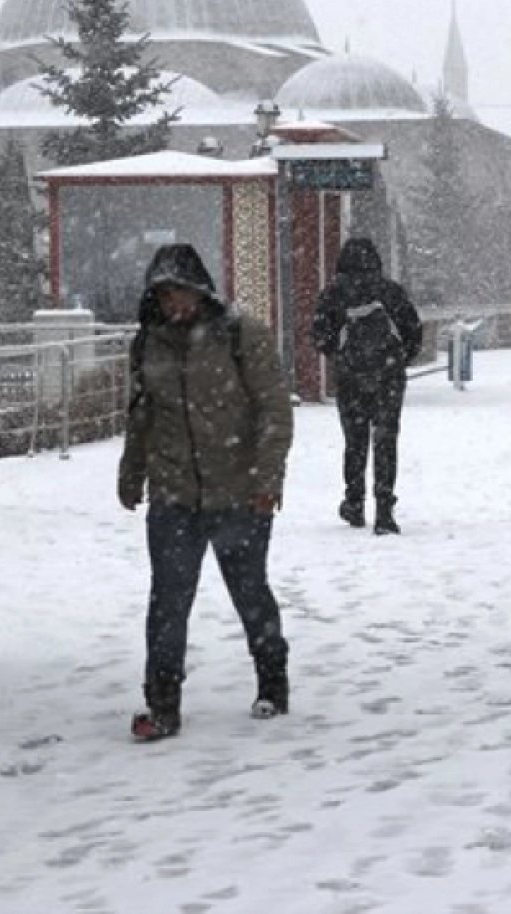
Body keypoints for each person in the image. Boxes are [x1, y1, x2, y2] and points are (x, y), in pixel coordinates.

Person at [117, 243, 294, 741]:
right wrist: (132, 472)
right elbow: (141, 415)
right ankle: (162, 702)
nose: (173, 304)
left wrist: (267, 479)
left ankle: (271, 680)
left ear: (201, 291)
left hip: (238, 491)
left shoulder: (240, 335)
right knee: (168, 602)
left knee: (250, 592)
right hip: (173, 493)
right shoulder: (148, 344)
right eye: (164, 296)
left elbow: (274, 410)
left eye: (180, 293)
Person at [311, 237, 424, 534]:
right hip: (388, 379)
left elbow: (320, 336)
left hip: (351, 380)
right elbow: (413, 331)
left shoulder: (333, 294)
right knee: (385, 442)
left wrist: (341, 358)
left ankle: (354, 503)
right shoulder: (390, 291)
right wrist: (397, 361)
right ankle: (384, 509)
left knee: (355, 443)